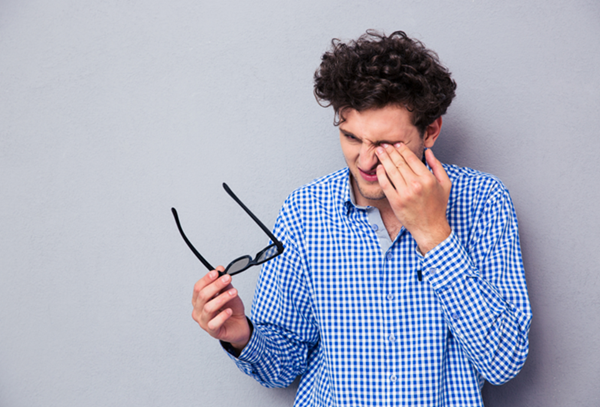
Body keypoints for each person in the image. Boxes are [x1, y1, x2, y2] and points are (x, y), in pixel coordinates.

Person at [191, 30, 532, 406]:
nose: (365, 161)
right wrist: (243, 337)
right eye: (352, 138)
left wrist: (434, 233)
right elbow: (283, 369)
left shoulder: (483, 201)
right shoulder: (305, 211)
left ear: (430, 131)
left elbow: (503, 362)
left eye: (386, 144)